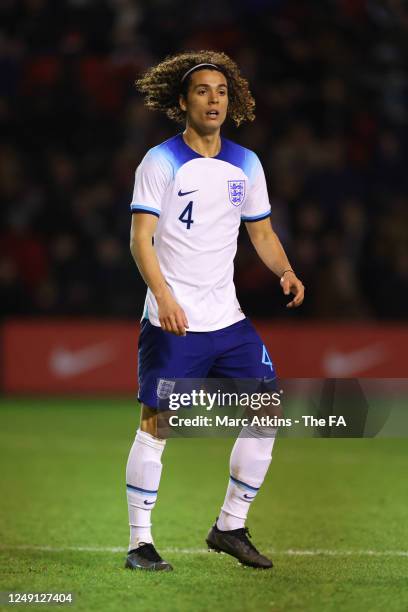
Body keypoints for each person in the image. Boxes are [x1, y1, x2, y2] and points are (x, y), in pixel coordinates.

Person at [125, 51, 304, 572]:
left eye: (222, 91)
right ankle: (140, 543)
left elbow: (263, 233)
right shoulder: (159, 162)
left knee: (267, 411)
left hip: (228, 319)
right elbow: (141, 239)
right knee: (157, 424)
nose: (214, 99)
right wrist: (163, 295)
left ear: (233, 102)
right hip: (173, 319)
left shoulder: (246, 164)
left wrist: (285, 271)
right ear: (182, 102)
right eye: (203, 90)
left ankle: (229, 526)